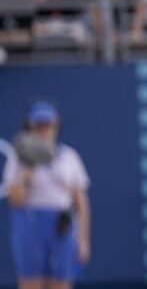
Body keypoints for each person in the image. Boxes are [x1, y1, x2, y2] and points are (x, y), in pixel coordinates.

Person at [3, 100, 91, 289]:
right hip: (30, 223)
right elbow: (15, 201)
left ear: (56, 126)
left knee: (61, 283)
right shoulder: (18, 160)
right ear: (30, 127)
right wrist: (27, 174)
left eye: (47, 124)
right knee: (30, 283)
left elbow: (81, 202)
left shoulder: (69, 157)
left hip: (62, 226)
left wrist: (83, 240)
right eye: (38, 125)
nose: (43, 130)